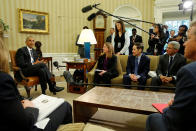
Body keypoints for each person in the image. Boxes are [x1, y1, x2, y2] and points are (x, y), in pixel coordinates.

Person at [0, 38, 72, 131]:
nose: (32, 42)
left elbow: (37, 63)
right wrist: (34, 63)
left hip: (34, 70)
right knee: (42, 66)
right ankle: (52, 85)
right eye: (30, 40)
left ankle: (44, 91)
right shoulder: (21, 50)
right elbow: (21, 64)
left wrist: (38, 63)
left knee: (42, 70)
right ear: (26, 42)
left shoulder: (34, 51)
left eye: (33, 41)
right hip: (25, 71)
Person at [145, 21, 196, 131]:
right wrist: (161, 76)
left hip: (174, 79)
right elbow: (158, 69)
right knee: (155, 79)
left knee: (152, 118)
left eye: (188, 39)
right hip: (163, 77)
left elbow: (176, 116)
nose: (185, 44)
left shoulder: (185, 65)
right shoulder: (163, 57)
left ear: (176, 50)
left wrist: (171, 78)